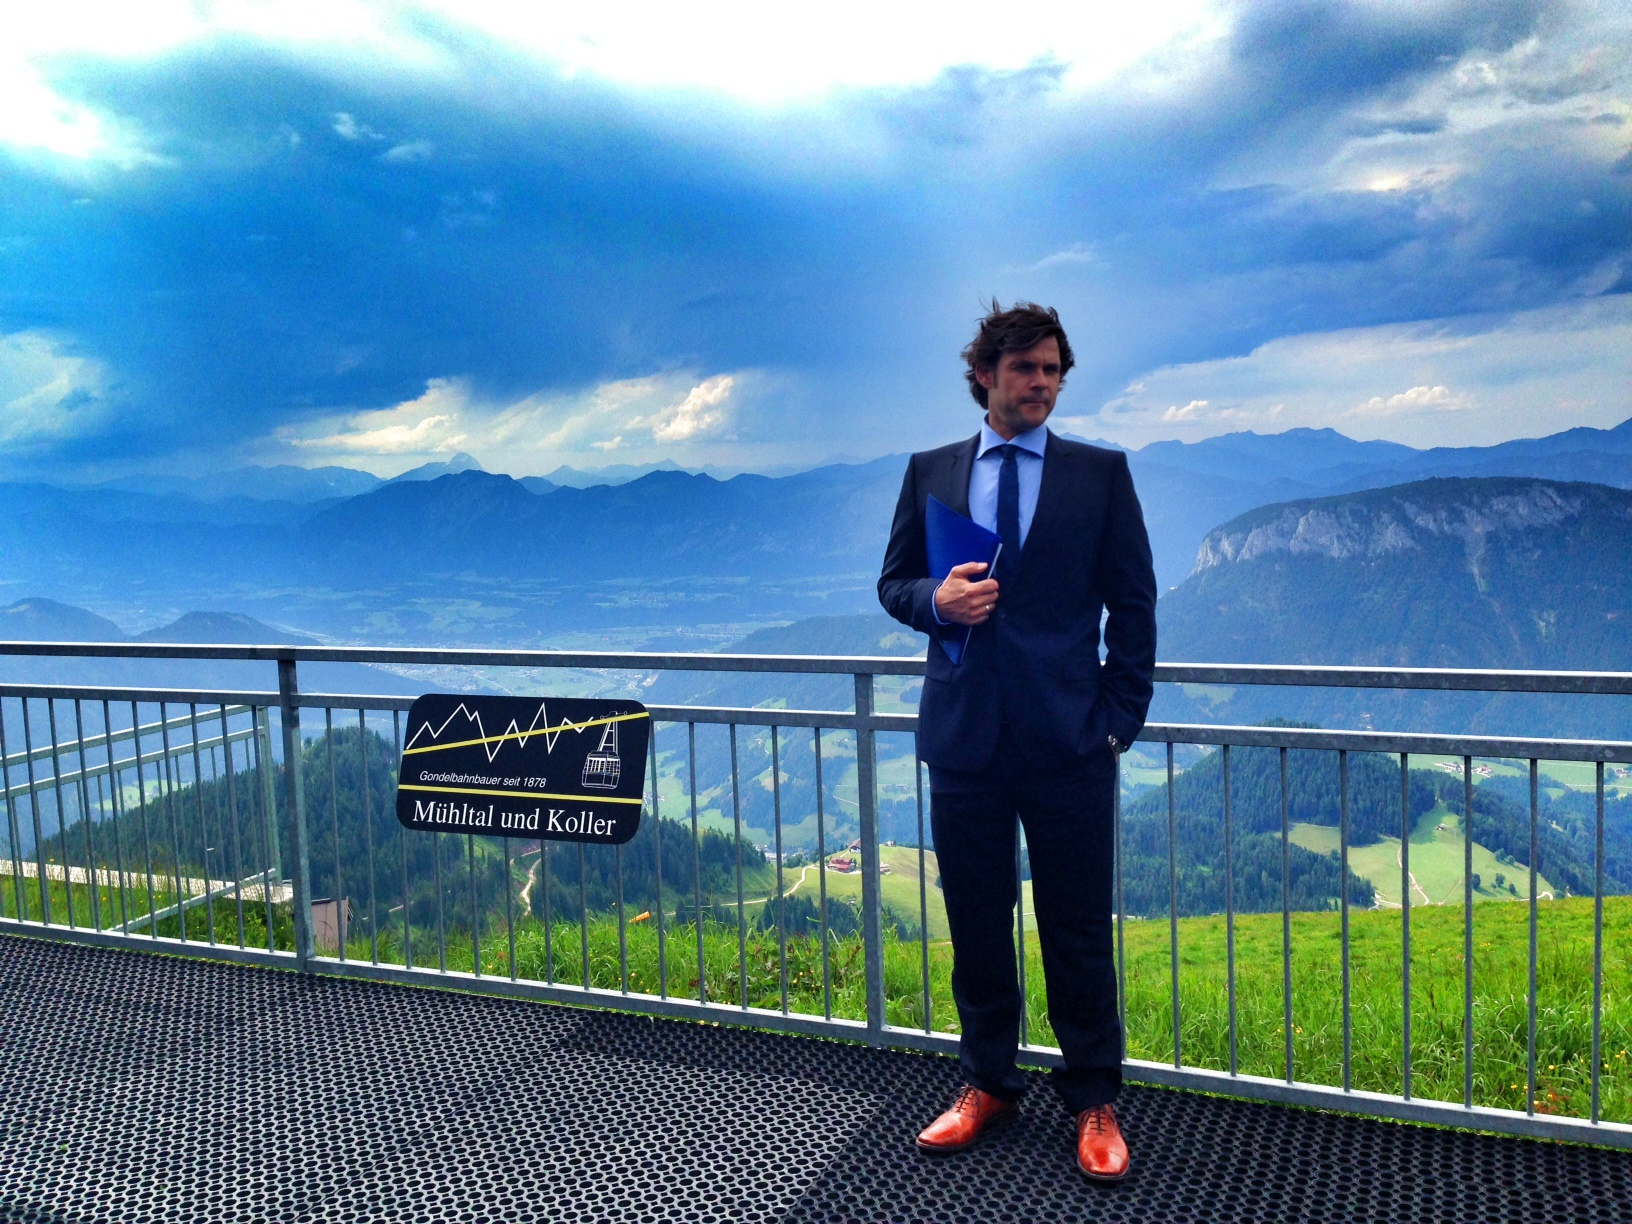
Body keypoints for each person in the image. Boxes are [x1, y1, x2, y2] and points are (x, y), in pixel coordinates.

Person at [877, 301, 1157, 1182]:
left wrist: (1116, 720)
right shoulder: (930, 471)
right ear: (985, 376)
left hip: (1070, 743)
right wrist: (937, 603)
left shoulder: (1099, 474)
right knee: (976, 926)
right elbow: (894, 582)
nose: (1043, 383)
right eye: (1026, 368)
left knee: (1076, 928)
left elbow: (1135, 605)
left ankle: (1094, 1100)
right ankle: (987, 1084)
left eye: (1053, 370)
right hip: (964, 740)